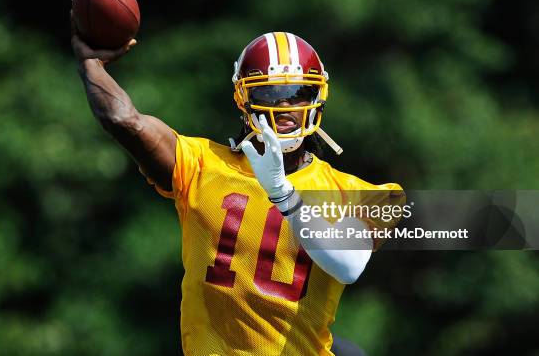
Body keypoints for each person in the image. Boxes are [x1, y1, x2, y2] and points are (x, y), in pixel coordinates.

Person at [71, 19, 402, 355]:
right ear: (242, 98)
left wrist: (283, 193)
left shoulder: (360, 192)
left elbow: (349, 265)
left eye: (299, 93)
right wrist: (90, 64)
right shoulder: (201, 166)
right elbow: (124, 121)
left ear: (319, 96)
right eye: (271, 93)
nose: (286, 107)